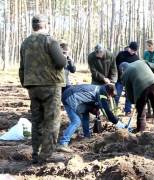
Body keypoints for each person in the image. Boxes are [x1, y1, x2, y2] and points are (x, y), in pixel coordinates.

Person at [19, 15, 67, 164]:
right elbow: (60, 63)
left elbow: (22, 67)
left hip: (32, 87)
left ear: (33, 26)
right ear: (45, 25)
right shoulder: (50, 40)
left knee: (37, 121)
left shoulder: (25, 43)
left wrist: (27, 83)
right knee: (52, 121)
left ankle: (36, 153)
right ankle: (47, 155)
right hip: (50, 85)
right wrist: (65, 58)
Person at [56, 84, 127, 152]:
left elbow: (88, 102)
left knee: (85, 113)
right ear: (109, 92)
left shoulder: (100, 89)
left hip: (71, 95)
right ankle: (63, 143)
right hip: (70, 96)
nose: (110, 98)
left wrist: (94, 109)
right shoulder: (102, 93)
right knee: (76, 121)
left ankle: (86, 136)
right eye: (111, 96)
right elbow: (106, 112)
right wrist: (118, 122)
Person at [120, 60, 154, 134]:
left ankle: (141, 136)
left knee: (141, 115)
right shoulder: (141, 61)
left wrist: (134, 101)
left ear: (122, 70)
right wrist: (153, 77)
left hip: (141, 90)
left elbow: (129, 92)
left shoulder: (125, 74)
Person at [115, 42, 140, 115]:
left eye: (134, 51)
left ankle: (127, 110)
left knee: (128, 96)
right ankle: (114, 110)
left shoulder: (136, 58)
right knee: (116, 95)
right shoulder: (121, 54)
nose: (133, 52)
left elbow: (136, 70)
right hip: (120, 79)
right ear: (129, 48)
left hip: (129, 80)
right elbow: (115, 64)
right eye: (132, 50)